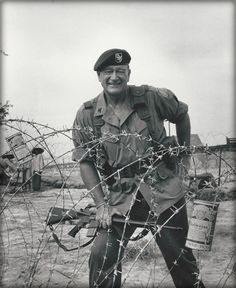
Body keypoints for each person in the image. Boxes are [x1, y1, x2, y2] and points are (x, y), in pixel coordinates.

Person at [72, 48, 205, 288]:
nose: (114, 77)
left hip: (164, 192)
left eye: (120, 71)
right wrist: (101, 205)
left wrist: (184, 160)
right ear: (99, 76)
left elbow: (182, 113)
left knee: (181, 261)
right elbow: (85, 161)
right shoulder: (88, 114)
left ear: (129, 73)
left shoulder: (152, 97)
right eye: (108, 72)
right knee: (102, 255)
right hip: (121, 197)